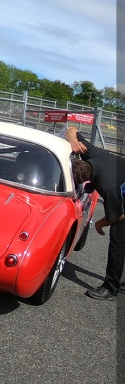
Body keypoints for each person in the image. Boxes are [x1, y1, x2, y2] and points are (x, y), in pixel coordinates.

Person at [66, 127, 125, 300]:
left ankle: (110, 288)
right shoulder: (92, 154)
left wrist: (100, 223)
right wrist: (73, 142)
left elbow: (119, 216)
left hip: (119, 194)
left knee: (118, 241)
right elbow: (72, 129)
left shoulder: (108, 186)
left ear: (84, 180)